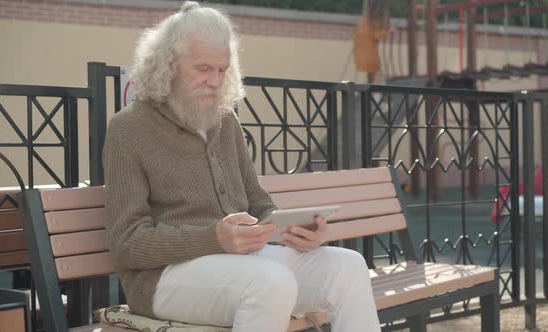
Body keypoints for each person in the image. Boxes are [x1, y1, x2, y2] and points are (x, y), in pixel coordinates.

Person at [103, 2, 381, 331]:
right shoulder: (129, 129)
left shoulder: (224, 120)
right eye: (204, 68)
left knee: (348, 267)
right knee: (270, 282)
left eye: (222, 70)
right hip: (162, 280)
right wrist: (213, 238)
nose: (215, 81)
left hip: (242, 264)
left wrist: (292, 230)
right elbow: (127, 244)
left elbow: (257, 201)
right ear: (168, 65)